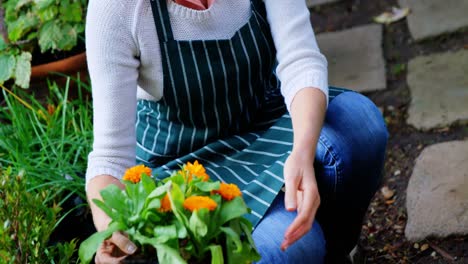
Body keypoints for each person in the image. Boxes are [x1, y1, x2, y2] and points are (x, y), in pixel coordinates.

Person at [85, 0, 388, 263]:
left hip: (263, 119)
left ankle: (337, 253)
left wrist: (302, 152)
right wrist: (113, 231)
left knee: (358, 125)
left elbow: (301, 60)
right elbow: (110, 159)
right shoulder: (118, 9)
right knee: (286, 247)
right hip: (185, 169)